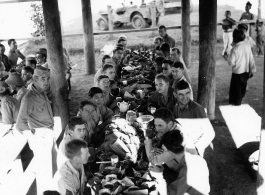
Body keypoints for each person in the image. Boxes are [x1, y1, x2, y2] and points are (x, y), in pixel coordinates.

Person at [16, 66, 54, 194]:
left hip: (47, 134)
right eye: (43, 79)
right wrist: (34, 138)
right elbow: (20, 124)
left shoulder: (42, 93)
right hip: (40, 136)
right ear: (35, 79)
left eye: (48, 79)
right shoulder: (29, 98)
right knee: (43, 173)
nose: (46, 82)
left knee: (47, 170)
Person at [154, 130, 210, 195]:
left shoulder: (186, 171)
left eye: (163, 148)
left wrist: (159, 176)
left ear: (167, 150)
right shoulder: (197, 158)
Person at [228, 29, 256, 106]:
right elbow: (251, 59)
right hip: (246, 72)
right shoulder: (247, 46)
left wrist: (228, 56)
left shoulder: (235, 49)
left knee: (235, 91)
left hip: (237, 74)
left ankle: (236, 106)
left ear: (235, 38)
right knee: (242, 90)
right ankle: (238, 102)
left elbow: (231, 63)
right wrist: (252, 70)